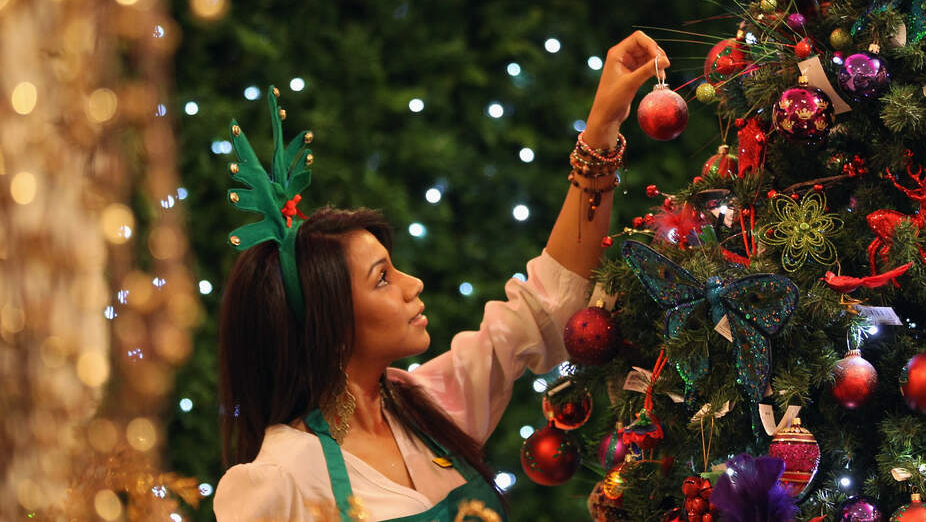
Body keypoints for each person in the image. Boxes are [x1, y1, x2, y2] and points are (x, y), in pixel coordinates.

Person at [213, 32, 669, 521]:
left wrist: (601, 129)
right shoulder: (280, 477)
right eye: (382, 278)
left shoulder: (422, 406)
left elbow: (544, 307)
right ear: (332, 322)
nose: (413, 284)